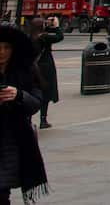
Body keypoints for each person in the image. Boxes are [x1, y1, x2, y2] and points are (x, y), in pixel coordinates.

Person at [0, 22, 48, 203]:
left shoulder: (24, 73)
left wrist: (18, 95)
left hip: (12, 141)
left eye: (7, 48)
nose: (2, 52)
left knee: (2, 192)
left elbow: (36, 101)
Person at [25, 17, 61, 130]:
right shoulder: (44, 37)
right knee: (45, 94)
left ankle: (28, 119)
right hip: (45, 68)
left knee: (31, 93)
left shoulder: (29, 38)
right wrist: (56, 26)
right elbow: (59, 37)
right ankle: (43, 119)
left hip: (32, 67)